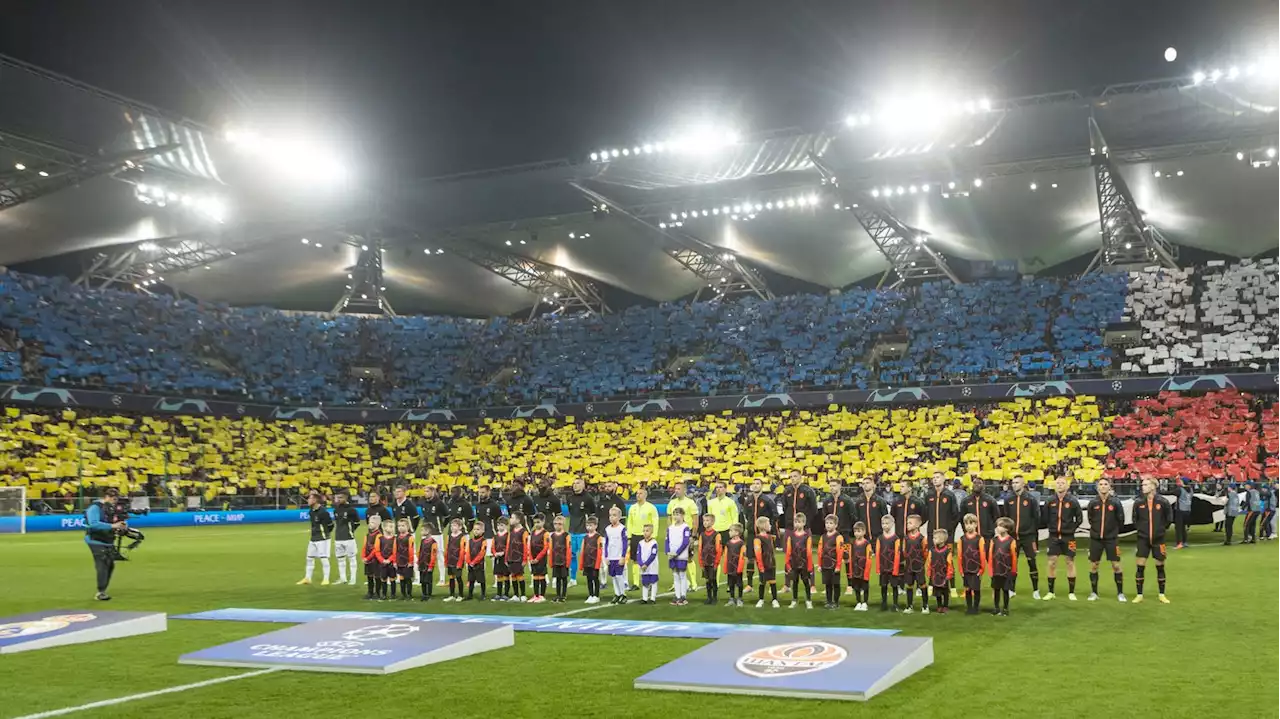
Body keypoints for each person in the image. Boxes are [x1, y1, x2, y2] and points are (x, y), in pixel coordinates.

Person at [1131, 477, 1173, 604]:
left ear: (1153, 486)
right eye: (1142, 484)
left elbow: (1169, 519)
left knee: (1160, 567)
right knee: (1140, 567)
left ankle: (1162, 594)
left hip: (1158, 540)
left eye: (1145, 484)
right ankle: (1139, 595)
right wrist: (1142, 530)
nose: (1142, 486)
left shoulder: (1163, 502)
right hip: (1142, 539)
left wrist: (1159, 530)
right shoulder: (1138, 502)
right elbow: (1135, 520)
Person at [1085, 478, 1126, 603]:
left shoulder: (1116, 503)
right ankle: (1094, 592)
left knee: (1116, 565)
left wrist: (1112, 532)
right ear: (1097, 487)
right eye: (1101, 484)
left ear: (1110, 487)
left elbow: (1121, 520)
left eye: (1105, 484)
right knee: (1094, 565)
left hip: (1111, 539)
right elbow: (1090, 519)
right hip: (1096, 539)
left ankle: (1120, 593)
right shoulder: (1093, 503)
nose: (1103, 486)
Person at [1041, 476, 1082, 601]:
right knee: (1052, 562)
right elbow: (1045, 518)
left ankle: (1071, 592)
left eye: (1062, 483)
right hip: (1053, 537)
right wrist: (1052, 528)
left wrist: (1070, 529)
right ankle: (1051, 592)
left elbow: (1079, 519)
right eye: (1058, 483)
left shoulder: (1073, 501)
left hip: (1069, 537)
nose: (1060, 485)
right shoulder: (1050, 501)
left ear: (1067, 486)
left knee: (1070, 562)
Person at [84, 487, 127, 601]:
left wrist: (120, 527)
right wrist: (112, 526)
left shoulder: (110, 509)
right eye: (113, 499)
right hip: (95, 540)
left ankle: (102, 589)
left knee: (110, 565)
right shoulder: (95, 508)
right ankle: (100, 592)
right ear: (107, 497)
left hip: (108, 540)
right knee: (102, 564)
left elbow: (112, 523)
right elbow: (93, 524)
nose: (115, 501)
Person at [1004, 475, 1041, 599]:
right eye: (1013, 483)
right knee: (1012, 564)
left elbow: (1036, 519)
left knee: (1032, 562)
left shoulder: (1030, 499)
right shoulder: (1008, 499)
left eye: (1017, 482)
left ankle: (1036, 590)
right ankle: (1011, 589)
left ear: (1023, 484)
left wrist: (1035, 538)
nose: (1014, 485)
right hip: (1013, 537)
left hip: (1028, 537)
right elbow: (1006, 519)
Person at [924, 472, 960, 597]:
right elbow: (925, 514)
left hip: (946, 536)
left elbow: (956, 515)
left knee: (948, 562)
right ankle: (931, 586)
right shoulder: (929, 495)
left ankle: (953, 587)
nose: (935, 480)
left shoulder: (950, 495)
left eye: (937, 477)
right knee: (932, 561)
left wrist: (949, 532)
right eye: (933, 478)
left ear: (944, 479)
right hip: (932, 535)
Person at [666, 480, 701, 592]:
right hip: (674, 533)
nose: (676, 491)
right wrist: (669, 532)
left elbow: (695, 519)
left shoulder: (690, 503)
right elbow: (669, 518)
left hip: (686, 532)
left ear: (684, 490)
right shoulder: (672, 503)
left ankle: (694, 583)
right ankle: (680, 583)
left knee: (688, 558)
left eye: (679, 489)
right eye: (675, 489)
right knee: (674, 557)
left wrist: (694, 535)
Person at [706, 482, 740, 583]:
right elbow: (709, 518)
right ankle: (714, 580)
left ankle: (731, 582)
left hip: (726, 532)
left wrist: (734, 532)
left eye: (721, 487)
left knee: (730, 558)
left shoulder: (730, 502)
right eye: (717, 487)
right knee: (714, 558)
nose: (718, 489)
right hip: (715, 533)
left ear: (725, 489)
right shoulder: (711, 503)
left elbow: (735, 517)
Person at [627, 486, 660, 590]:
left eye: (640, 493)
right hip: (635, 535)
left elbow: (655, 521)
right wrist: (629, 536)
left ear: (645, 495)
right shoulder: (632, 508)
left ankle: (649, 582)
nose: (638, 495)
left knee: (647, 559)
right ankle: (636, 583)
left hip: (646, 536)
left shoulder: (651, 507)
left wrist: (653, 535)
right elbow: (630, 522)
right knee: (635, 560)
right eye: (637, 493)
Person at [298, 491, 334, 586]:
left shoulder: (323, 512)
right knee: (309, 558)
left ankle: (326, 579)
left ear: (315, 500)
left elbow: (330, 525)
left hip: (323, 539)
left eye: (310, 498)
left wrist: (325, 535)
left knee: (324, 558)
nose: (308, 500)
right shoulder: (311, 511)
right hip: (313, 538)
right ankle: (307, 578)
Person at [565, 478, 597, 587]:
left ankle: (591, 577)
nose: (575, 485)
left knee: (587, 556)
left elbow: (593, 514)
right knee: (572, 555)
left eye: (578, 483)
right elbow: (571, 513)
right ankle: (573, 579)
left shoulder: (588, 498)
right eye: (574, 483)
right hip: (572, 531)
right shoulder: (569, 498)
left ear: (583, 485)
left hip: (583, 531)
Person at [783, 512, 814, 609]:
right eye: (796, 522)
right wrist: (787, 563)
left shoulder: (807, 536)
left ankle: (808, 600)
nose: (797, 524)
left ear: (804, 523)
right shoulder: (791, 536)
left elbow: (809, 551)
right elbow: (788, 551)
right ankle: (794, 600)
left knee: (806, 582)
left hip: (804, 563)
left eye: (799, 522)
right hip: (794, 563)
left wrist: (809, 566)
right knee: (795, 582)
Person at [332, 490, 362, 586]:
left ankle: (352, 579)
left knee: (352, 558)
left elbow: (357, 522)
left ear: (346, 498)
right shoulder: (336, 509)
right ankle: (343, 578)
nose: (338, 499)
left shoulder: (351, 510)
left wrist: (350, 531)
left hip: (349, 538)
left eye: (341, 497)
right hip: (338, 538)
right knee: (340, 559)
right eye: (338, 497)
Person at [957, 514, 987, 615]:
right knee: (967, 588)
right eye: (966, 524)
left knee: (976, 589)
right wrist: (961, 569)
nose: (969, 526)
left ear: (976, 525)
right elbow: (960, 555)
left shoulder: (979, 538)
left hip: (976, 569)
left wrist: (982, 569)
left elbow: (982, 554)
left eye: (971, 523)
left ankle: (976, 607)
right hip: (966, 569)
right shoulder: (961, 539)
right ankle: (969, 607)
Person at [987, 517, 1017, 616]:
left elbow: (1014, 557)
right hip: (996, 570)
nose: (998, 528)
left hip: (1006, 571)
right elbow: (990, 556)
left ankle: (1005, 608)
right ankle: (996, 608)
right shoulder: (994, 540)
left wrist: (1013, 571)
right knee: (996, 590)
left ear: (1007, 528)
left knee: (1005, 590)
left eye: (1000, 526)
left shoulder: (1011, 541)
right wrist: (990, 570)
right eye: (998, 525)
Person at [901, 515, 929, 614]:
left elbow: (925, 553)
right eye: (907, 523)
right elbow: (904, 551)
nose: (907, 525)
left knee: (922, 585)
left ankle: (925, 606)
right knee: (909, 585)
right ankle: (909, 606)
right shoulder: (906, 538)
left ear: (918, 525)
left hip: (919, 566)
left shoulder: (922, 539)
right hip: (909, 567)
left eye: (910, 523)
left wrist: (921, 563)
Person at [420, 486, 449, 579]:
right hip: (425, 534)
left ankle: (442, 578)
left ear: (433, 492)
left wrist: (442, 526)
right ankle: (426, 577)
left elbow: (447, 516)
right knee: (424, 555)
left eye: (427, 491)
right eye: (424, 491)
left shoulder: (440, 503)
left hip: (437, 533)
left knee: (439, 555)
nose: (425, 493)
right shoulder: (423, 503)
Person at [875, 514, 904, 612]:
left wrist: (896, 569)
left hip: (893, 568)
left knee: (894, 586)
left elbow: (897, 554)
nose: (884, 525)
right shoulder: (879, 538)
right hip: (883, 567)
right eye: (883, 523)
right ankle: (884, 603)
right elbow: (878, 553)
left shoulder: (896, 539)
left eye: (887, 523)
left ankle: (895, 604)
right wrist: (878, 568)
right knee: (883, 586)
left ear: (892, 524)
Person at [817, 514, 845, 609]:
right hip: (825, 565)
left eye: (831, 523)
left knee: (836, 584)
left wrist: (838, 566)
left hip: (834, 566)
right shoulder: (823, 537)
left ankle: (836, 602)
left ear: (836, 525)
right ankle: (829, 601)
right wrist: (820, 565)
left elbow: (840, 552)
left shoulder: (838, 537)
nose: (828, 525)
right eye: (827, 523)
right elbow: (820, 551)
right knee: (827, 584)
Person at [666, 507, 693, 606]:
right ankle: (677, 596)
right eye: (674, 514)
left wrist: (677, 552)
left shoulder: (685, 527)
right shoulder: (670, 527)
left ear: (682, 515)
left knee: (682, 575)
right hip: (672, 555)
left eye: (677, 514)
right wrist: (667, 551)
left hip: (681, 555)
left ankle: (683, 596)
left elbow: (685, 542)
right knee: (675, 575)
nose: (675, 516)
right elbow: (667, 540)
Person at [752, 516, 780, 608]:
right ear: (763, 525)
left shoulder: (770, 537)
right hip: (763, 564)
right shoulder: (757, 539)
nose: (770, 525)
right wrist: (760, 566)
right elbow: (758, 553)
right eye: (769, 524)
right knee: (762, 582)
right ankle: (761, 599)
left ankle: (775, 599)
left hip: (771, 562)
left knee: (773, 581)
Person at [847, 521, 874, 612]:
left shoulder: (867, 544)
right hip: (855, 570)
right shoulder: (852, 544)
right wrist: (851, 572)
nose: (857, 533)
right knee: (856, 587)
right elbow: (850, 558)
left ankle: (865, 603)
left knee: (865, 587)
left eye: (859, 531)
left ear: (864, 532)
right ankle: (858, 602)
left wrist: (866, 572)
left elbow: (869, 559)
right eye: (855, 531)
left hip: (864, 570)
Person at [604, 506, 629, 604]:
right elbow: (606, 543)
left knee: (619, 576)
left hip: (619, 556)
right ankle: (617, 593)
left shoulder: (622, 529)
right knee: (613, 576)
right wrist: (606, 556)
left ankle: (623, 594)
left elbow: (625, 543)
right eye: (610, 515)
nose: (612, 517)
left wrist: (623, 556)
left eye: (614, 515)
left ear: (619, 517)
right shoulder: (607, 529)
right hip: (611, 556)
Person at [698, 513, 723, 605]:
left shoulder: (716, 535)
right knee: (707, 580)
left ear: (712, 522)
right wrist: (701, 562)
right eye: (704, 520)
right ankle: (709, 597)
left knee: (713, 579)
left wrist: (716, 562)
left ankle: (715, 597)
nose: (705, 522)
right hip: (705, 561)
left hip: (713, 561)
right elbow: (700, 549)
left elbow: (719, 550)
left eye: (707, 520)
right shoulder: (702, 535)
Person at [927, 528, 954, 613]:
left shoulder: (947, 551)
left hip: (944, 575)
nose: (933, 540)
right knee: (937, 592)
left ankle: (945, 606)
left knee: (945, 592)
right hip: (935, 575)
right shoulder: (932, 550)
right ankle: (939, 606)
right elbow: (929, 562)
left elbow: (950, 564)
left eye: (935, 538)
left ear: (942, 540)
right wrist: (929, 573)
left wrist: (949, 575)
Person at [579, 516, 604, 604]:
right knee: (589, 579)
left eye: (591, 525)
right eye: (588, 525)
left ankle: (596, 595)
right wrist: (581, 563)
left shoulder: (598, 537)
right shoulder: (585, 537)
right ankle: (591, 595)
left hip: (594, 562)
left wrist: (598, 564)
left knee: (595, 579)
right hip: (587, 562)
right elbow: (582, 550)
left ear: (596, 526)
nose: (589, 527)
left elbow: (600, 551)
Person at [505, 512, 529, 601]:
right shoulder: (511, 532)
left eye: (512, 518)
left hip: (519, 557)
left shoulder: (524, 532)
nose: (510, 519)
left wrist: (525, 559)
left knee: (519, 575)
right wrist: (506, 557)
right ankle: (515, 595)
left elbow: (526, 546)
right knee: (513, 575)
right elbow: (508, 545)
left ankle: (523, 594)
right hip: (511, 557)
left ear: (518, 520)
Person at [723, 523, 747, 607]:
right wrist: (725, 567)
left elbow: (743, 556)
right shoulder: (728, 543)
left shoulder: (741, 543)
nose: (729, 532)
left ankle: (740, 598)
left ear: (737, 532)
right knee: (731, 583)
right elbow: (726, 556)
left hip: (737, 567)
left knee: (739, 583)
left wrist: (740, 568)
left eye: (731, 530)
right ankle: (731, 598)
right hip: (730, 566)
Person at [549, 515, 572, 603]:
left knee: (564, 578)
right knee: (557, 578)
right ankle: (558, 594)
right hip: (556, 560)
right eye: (555, 524)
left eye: (559, 524)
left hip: (563, 560)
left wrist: (567, 561)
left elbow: (569, 549)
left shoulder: (566, 535)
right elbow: (551, 549)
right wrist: (551, 561)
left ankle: (563, 595)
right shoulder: (553, 536)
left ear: (563, 525)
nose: (557, 526)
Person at [527, 515, 550, 603]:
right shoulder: (532, 533)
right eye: (535, 522)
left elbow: (545, 547)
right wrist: (531, 558)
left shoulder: (545, 533)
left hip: (541, 558)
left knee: (541, 576)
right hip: (533, 558)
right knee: (535, 576)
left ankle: (542, 595)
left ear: (543, 522)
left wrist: (538, 558)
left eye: (538, 522)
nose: (536, 524)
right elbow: (530, 546)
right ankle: (536, 595)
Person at [462, 520, 487, 601]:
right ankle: (470, 594)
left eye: (478, 529)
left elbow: (482, 553)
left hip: (479, 564)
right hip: (471, 564)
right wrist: (469, 561)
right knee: (471, 580)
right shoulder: (470, 541)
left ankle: (483, 594)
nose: (476, 531)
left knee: (481, 580)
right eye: (475, 529)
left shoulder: (483, 541)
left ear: (482, 531)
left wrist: (474, 562)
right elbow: (467, 551)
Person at [392, 517, 416, 600]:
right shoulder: (397, 537)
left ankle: (409, 594)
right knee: (401, 577)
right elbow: (395, 549)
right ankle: (403, 594)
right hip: (399, 561)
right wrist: (394, 561)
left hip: (407, 561)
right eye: (399, 526)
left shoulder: (410, 537)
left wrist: (411, 561)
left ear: (408, 527)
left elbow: (411, 550)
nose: (400, 527)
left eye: (403, 525)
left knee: (408, 578)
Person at [362, 515, 384, 600]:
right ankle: (370, 592)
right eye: (369, 522)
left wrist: (368, 558)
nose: (370, 524)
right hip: (367, 558)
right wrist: (363, 556)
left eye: (372, 523)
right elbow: (364, 546)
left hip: (375, 559)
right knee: (369, 575)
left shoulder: (379, 535)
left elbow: (376, 548)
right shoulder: (368, 535)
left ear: (378, 524)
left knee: (377, 576)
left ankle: (377, 592)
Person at [637, 524, 660, 605]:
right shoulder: (640, 543)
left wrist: (646, 564)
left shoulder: (654, 543)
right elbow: (638, 555)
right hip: (643, 567)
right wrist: (641, 564)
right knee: (645, 582)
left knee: (653, 582)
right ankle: (644, 598)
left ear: (652, 532)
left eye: (647, 531)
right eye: (644, 531)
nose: (645, 533)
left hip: (652, 566)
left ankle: (653, 598)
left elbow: (653, 555)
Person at [491, 517, 511, 601]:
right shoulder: (495, 536)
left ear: (506, 526)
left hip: (505, 558)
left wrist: (504, 553)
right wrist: (495, 553)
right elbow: (492, 546)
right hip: (497, 558)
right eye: (498, 525)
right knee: (499, 575)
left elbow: (509, 546)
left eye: (502, 525)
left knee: (506, 575)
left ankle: (506, 594)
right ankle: (498, 593)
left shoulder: (508, 535)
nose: (499, 527)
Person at [376, 519, 396, 600]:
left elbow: (395, 551)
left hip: (391, 562)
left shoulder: (395, 539)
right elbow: (377, 551)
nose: (392, 529)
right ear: (384, 528)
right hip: (382, 562)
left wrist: (390, 559)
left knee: (392, 578)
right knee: (383, 578)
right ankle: (384, 594)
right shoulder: (380, 538)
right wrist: (382, 560)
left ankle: (393, 594)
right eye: (390, 527)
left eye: (393, 527)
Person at [1174, 479, 1192, 549]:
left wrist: (1159, 492)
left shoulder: (1180, 489)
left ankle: (1179, 543)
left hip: (1180, 510)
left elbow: (1169, 492)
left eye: (1180, 481)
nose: (1179, 482)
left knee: (1178, 527)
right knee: (1183, 527)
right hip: (1187, 510)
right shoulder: (1190, 489)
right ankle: (1184, 542)